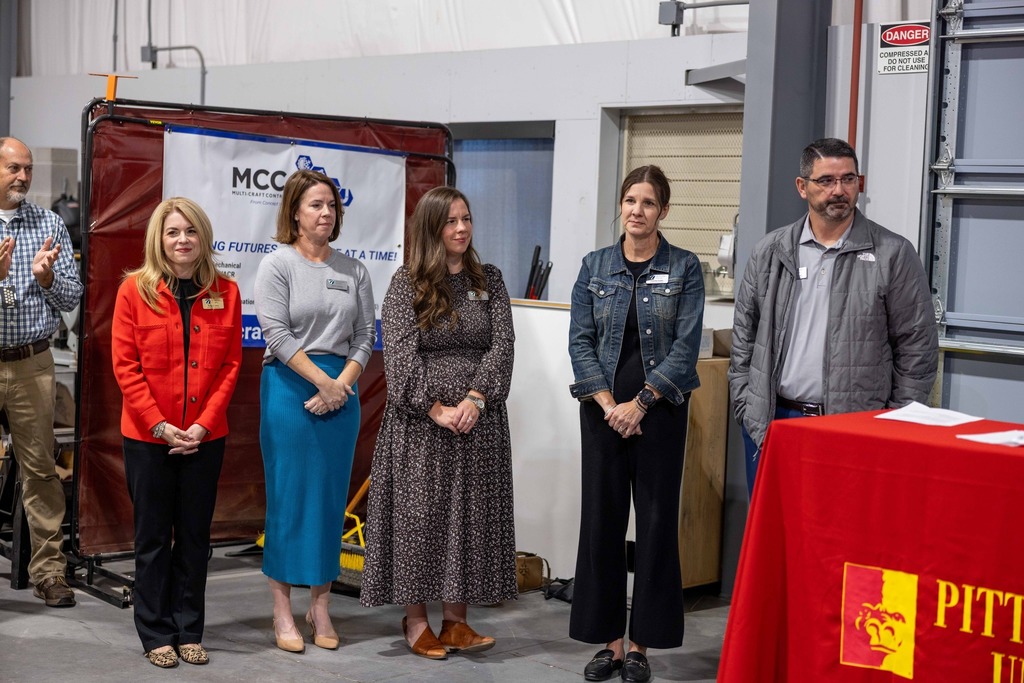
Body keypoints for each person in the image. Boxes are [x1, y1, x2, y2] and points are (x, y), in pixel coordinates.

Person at [729, 137, 938, 497]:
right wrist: (748, 407)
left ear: (860, 183)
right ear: (802, 187)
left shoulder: (893, 254)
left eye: (848, 179)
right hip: (774, 424)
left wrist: (893, 424)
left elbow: (916, 349)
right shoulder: (770, 251)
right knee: (775, 542)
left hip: (854, 429)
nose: (838, 190)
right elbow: (744, 338)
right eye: (826, 180)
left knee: (841, 544)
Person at [360, 186, 516, 660]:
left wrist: (475, 398)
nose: (462, 229)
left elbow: (503, 344)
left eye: (466, 218)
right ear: (431, 228)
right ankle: (415, 620)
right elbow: (401, 356)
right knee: (420, 521)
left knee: (469, 520)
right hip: (420, 426)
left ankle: (457, 622)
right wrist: (435, 408)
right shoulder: (406, 283)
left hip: (479, 423)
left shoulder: (489, 278)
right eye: (450, 221)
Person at [568, 165, 705, 683]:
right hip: (602, 414)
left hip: (660, 414)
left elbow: (686, 348)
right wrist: (609, 405)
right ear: (620, 206)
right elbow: (580, 341)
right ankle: (609, 645)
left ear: (663, 211)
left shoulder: (685, 267)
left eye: (648, 203)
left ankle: (641, 646)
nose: (637, 211)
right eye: (630, 200)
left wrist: (640, 403)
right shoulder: (594, 266)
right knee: (601, 525)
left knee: (653, 527)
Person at [111, 197, 242, 668]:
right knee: (151, 539)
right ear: (158, 239)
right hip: (149, 438)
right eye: (172, 232)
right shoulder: (134, 291)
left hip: (205, 437)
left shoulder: (225, 290)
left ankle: (189, 628)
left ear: (203, 237)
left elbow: (230, 364)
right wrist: (161, 425)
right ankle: (155, 632)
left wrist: (203, 424)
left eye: (190, 231)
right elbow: (125, 367)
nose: (182, 239)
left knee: (194, 538)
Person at [254, 169, 375, 654]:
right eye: (314, 206)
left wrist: (340, 386)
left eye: (330, 205)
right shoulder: (276, 265)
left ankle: (319, 605)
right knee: (288, 501)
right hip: (289, 389)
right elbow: (277, 335)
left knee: (328, 503)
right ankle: (282, 609)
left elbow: (366, 337)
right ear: (295, 213)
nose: (325, 213)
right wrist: (323, 383)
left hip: (341, 396)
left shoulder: (354, 270)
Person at [0, 137, 83, 608]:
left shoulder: (48, 223)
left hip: (33, 362)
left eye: (28, 169)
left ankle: (50, 573)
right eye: (14, 168)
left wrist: (47, 278)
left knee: (40, 472)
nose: (23, 178)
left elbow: (71, 300)